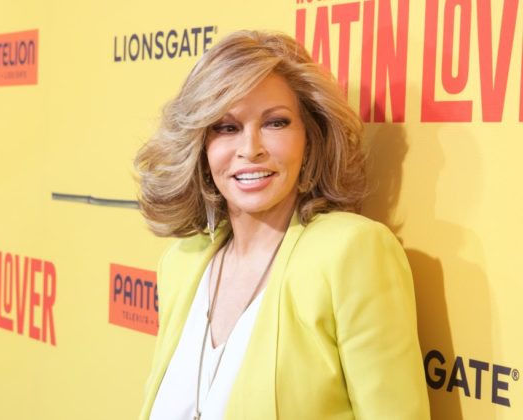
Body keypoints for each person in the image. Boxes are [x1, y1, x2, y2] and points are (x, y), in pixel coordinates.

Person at [135, 30, 430, 420]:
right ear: (200, 146)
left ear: (310, 137)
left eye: (275, 123)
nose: (250, 149)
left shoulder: (351, 252)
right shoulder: (181, 263)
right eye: (226, 127)